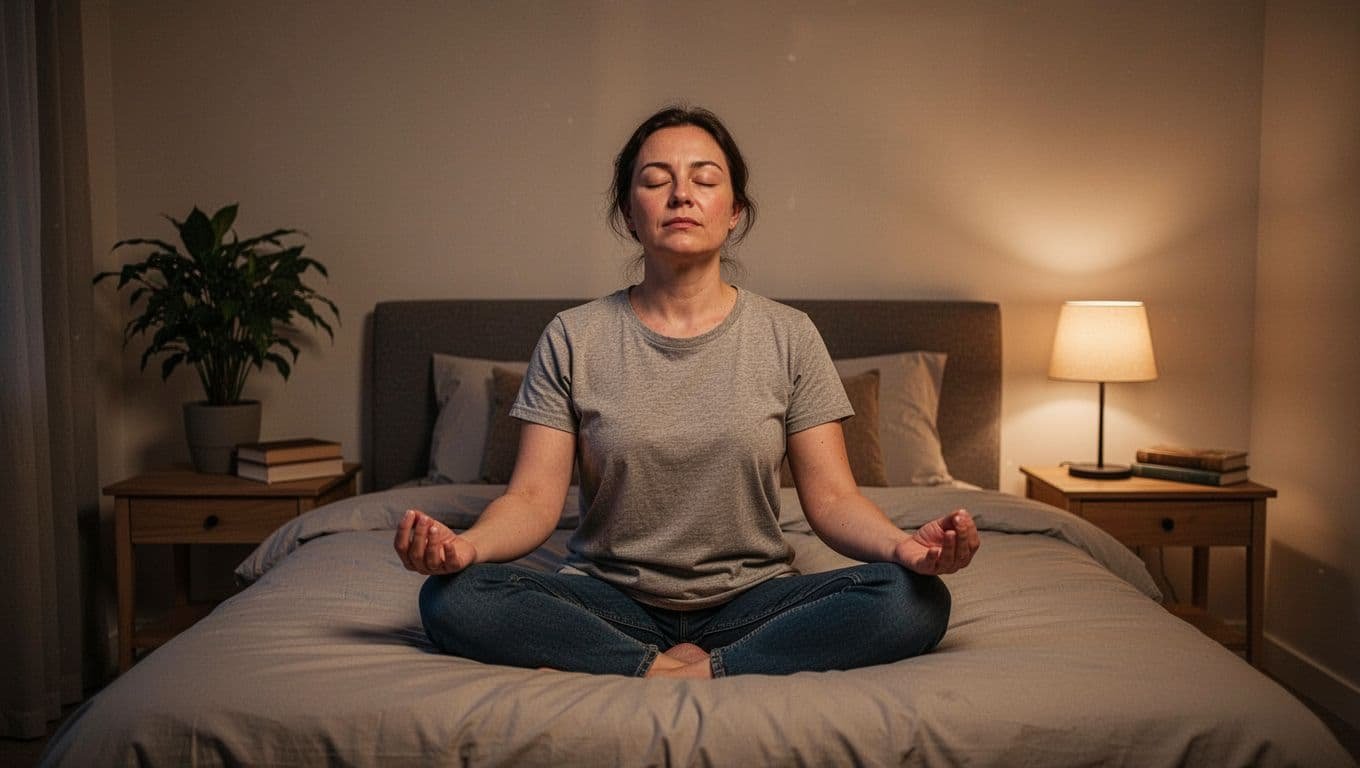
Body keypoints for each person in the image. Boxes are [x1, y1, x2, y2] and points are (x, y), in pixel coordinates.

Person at [395, 106, 979, 679]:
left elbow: (832, 501)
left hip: (752, 604)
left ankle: (701, 669)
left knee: (915, 600)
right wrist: (465, 549)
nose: (681, 194)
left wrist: (905, 550)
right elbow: (531, 502)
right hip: (607, 603)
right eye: (655, 180)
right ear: (629, 213)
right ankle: (657, 666)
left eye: (704, 179)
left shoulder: (790, 335)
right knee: (454, 599)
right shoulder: (573, 336)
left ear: (734, 212)